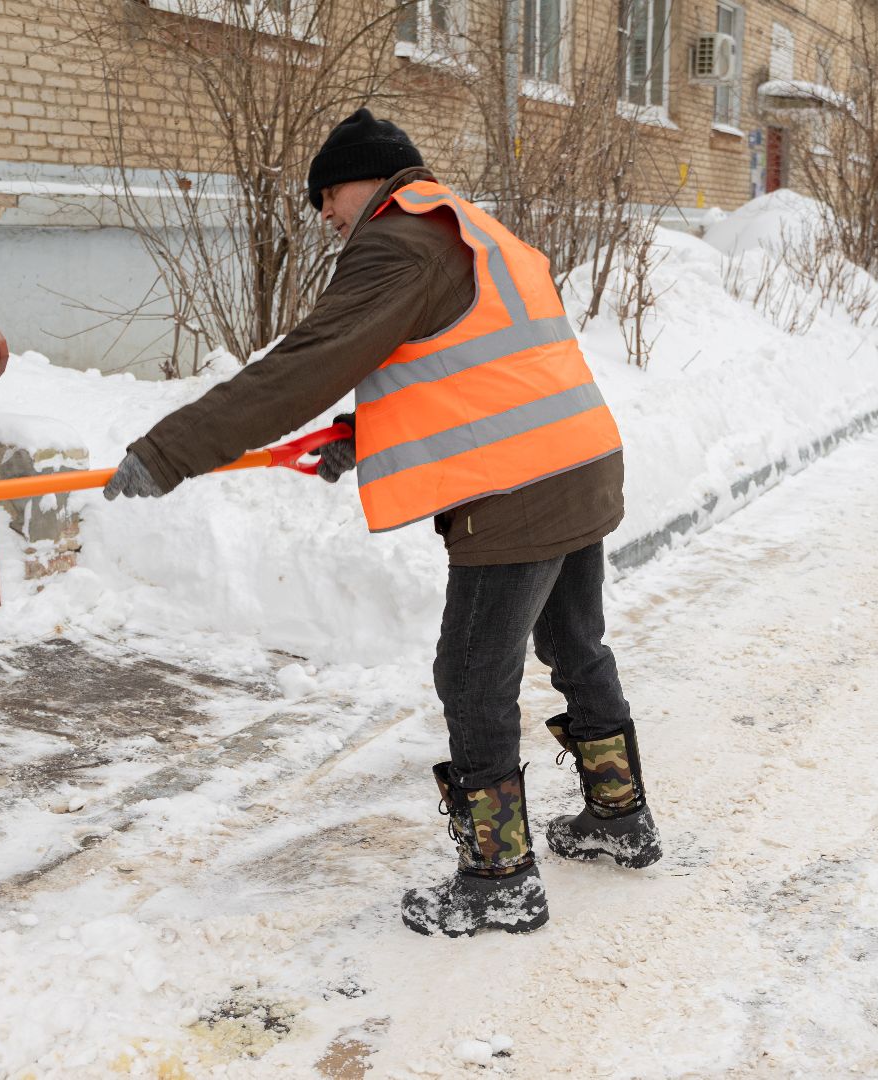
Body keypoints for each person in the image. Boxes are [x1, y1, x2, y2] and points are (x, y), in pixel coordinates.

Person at [103, 108, 661, 938]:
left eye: (326, 194)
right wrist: (370, 433)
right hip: (576, 463)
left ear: (366, 180)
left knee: (472, 674)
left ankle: (499, 877)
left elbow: (306, 364)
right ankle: (620, 820)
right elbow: (479, 362)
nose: (323, 214)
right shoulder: (469, 229)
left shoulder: (396, 240)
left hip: (513, 490)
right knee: (575, 645)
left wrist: (170, 448)